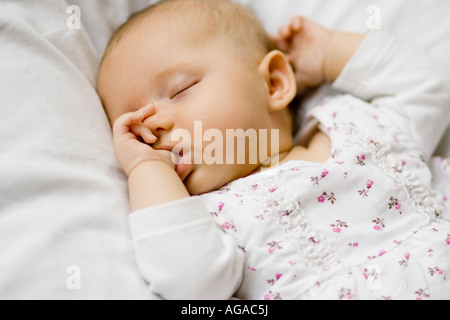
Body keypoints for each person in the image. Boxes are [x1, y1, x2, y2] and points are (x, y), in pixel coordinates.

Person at [97, 0, 450, 300]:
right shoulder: (209, 221)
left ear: (275, 83)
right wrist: (145, 167)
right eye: (138, 130)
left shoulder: (357, 124)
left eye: (179, 90)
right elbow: (189, 281)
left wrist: (328, 53)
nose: (154, 125)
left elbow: (429, 88)